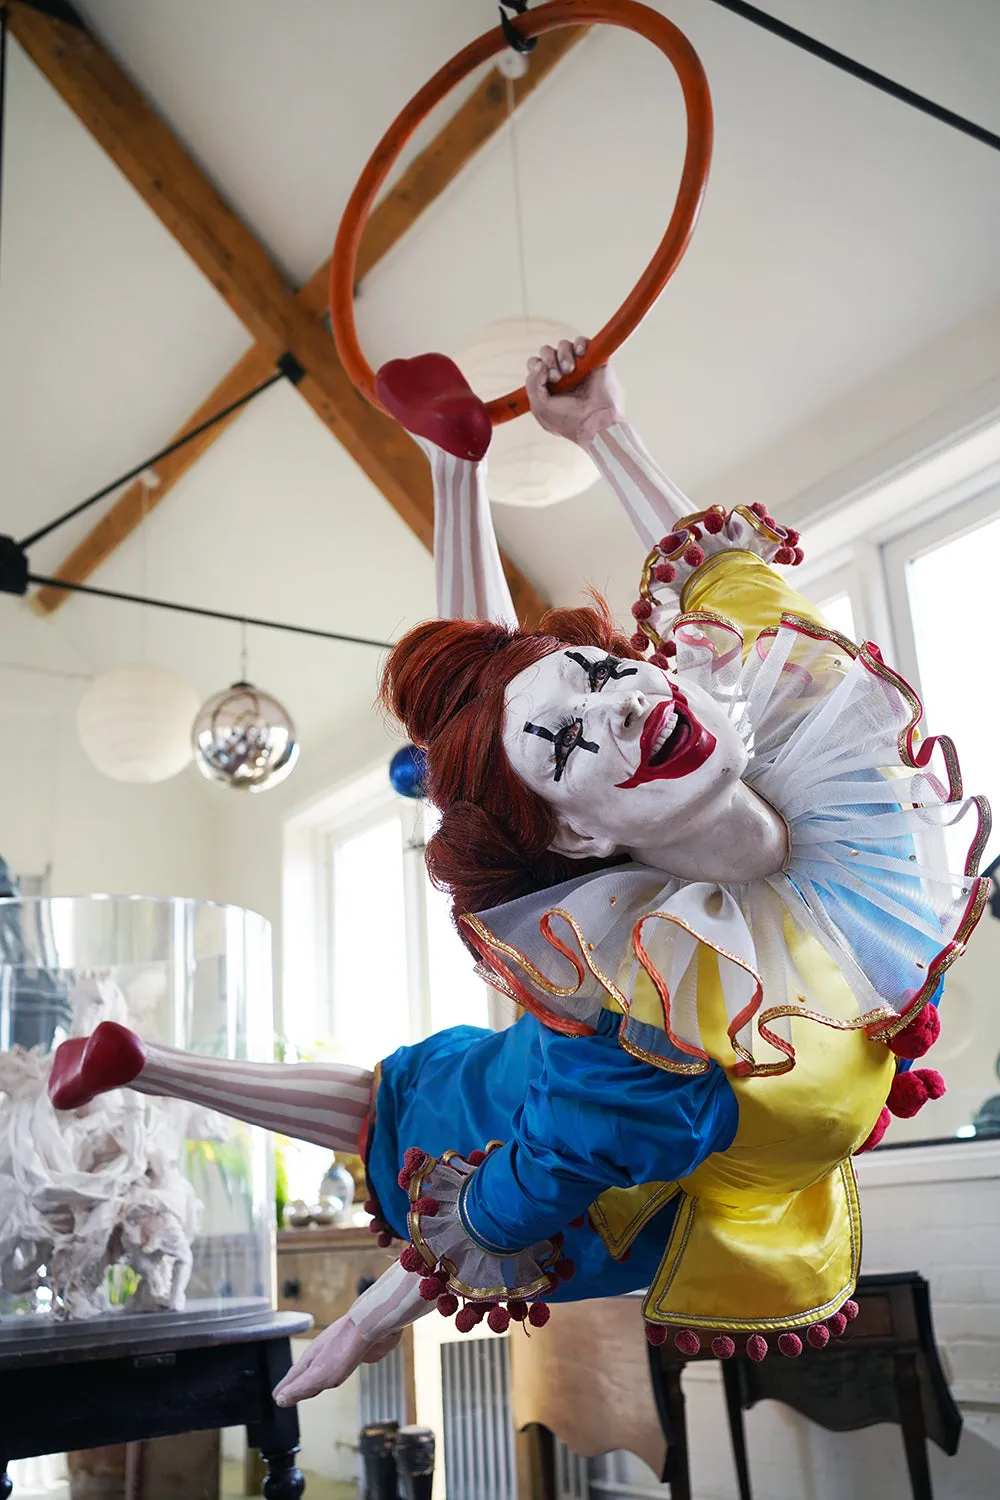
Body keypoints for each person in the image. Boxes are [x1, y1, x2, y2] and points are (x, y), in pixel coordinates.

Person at [47, 342, 989, 1405]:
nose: (629, 704)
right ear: (582, 840)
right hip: (621, 1194)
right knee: (398, 1107)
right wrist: (368, 1320)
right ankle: (148, 1063)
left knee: (395, 1080)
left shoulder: (824, 753)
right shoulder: (650, 1046)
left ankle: (457, 471)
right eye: (576, 746)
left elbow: (733, 583)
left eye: (608, 671)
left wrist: (602, 430)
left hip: (597, 1105)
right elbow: (525, 1191)